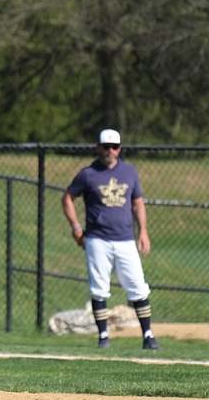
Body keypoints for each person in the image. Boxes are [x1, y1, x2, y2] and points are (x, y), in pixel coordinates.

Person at [61, 129, 161, 350]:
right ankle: (103, 336)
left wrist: (143, 231)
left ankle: (148, 336)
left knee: (137, 286)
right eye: (106, 146)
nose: (110, 151)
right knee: (99, 288)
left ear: (120, 148)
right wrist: (76, 227)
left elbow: (138, 203)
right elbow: (67, 198)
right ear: (97, 148)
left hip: (125, 238)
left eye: (114, 147)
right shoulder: (88, 174)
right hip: (97, 239)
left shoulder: (129, 172)